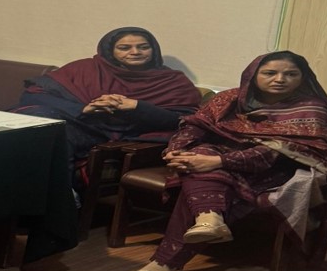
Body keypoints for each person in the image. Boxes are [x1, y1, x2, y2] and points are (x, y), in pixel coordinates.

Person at [114, 51, 327, 271]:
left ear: (303, 77)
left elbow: (279, 152)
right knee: (200, 159)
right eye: (270, 73)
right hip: (216, 157)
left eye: (291, 74)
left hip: (273, 168)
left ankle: (168, 259)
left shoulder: (312, 109)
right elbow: (194, 125)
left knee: (204, 171)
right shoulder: (230, 98)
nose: (280, 79)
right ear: (253, 75)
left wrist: (219, 161)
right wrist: (177, 151)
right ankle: (208, 221)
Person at [14, 27, 199, 167]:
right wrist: (83, 109)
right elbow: (34, 96)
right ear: (110, 51)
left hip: (118, 138)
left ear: (153, 50)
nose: (135, 52)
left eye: (143, 47)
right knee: (40, 118)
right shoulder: (85, 68)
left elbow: (183, 120)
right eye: (124, 48)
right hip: (82, 125)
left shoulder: (172, 80)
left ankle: (62, 195)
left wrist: (136, 106)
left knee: (58, 134)